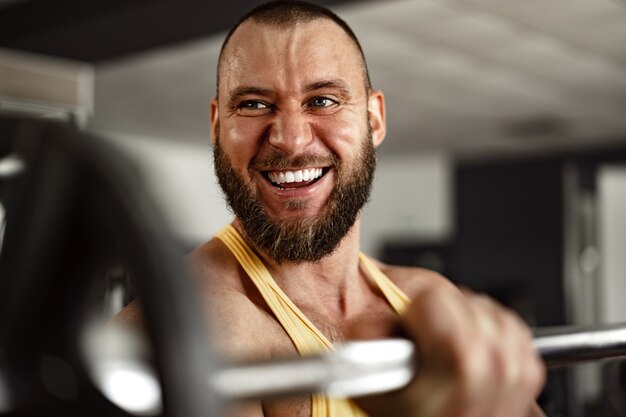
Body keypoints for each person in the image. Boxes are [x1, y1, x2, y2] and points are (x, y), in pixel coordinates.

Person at [120, 1, 546, 416]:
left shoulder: (425, 294)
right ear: (217, 127)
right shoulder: (197, 327)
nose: (290, 138)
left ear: (374, 120)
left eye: (322, 100)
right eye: (253, 104)